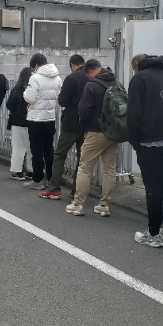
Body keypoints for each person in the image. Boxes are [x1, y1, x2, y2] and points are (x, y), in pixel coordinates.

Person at [127, 54, 163, 247]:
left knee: (153, 190)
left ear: (139, 65)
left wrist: (135, 141)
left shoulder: (140, 78)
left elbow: (133, 113)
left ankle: (152, 234)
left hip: (150, 142)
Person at [65, 60, 118, 216]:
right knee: (109, 169)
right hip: (114, 132)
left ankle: (78, 204)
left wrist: (86, 125)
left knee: (85, 168)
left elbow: (83, 110)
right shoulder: (117, 84)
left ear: (89, 72)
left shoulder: (92, 85)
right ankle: (104, 205)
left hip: (95, 131)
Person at [44, 54, 88, 200]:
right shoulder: (91, 77)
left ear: (72, 65)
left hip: (71, 123)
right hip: (87, 124)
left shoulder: (72, 78)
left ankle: (54, 189)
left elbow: (62, 101)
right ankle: (76, 191)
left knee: (59, 155)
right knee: (82, 159)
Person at [22, 53, 62, 190]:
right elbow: (57, 98)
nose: (33, 70)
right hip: (50, 118)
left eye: (33, 67)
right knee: (48, 150)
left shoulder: (35, 78)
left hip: (36, 119)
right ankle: (50, 178)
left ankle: (37, 179)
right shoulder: (57, 78)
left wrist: (25, 93)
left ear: (36, 65)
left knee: (36, 151)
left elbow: (30, 98)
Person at [5, 67, 34, 180]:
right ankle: (30, 171)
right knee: (31, 147)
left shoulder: (17, 89)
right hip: (31, 121)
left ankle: (17, 171)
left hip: (17, 122)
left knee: (18, 147)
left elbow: (9, 105)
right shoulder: (33, 89)